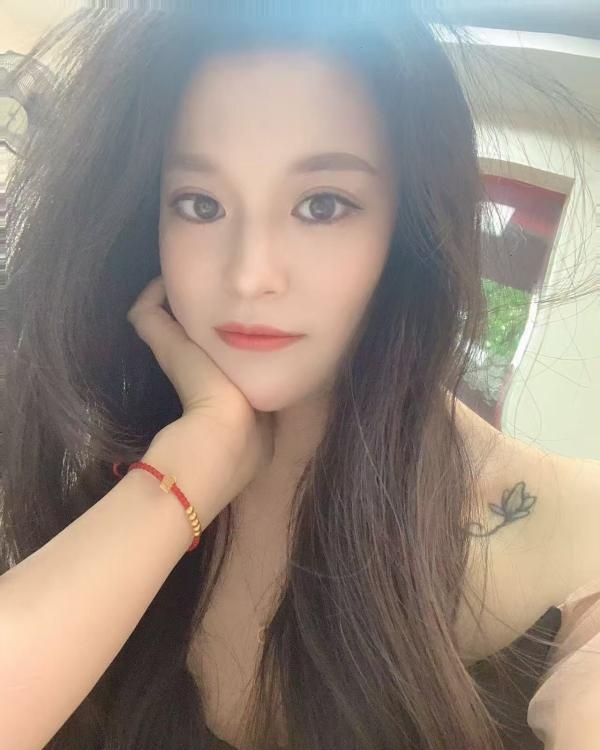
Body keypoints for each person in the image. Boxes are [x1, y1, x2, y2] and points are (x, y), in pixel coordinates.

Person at [2, 4, 599, 750]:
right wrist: (184, 476)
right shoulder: (97, 465)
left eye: (322, 205)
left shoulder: (581, 530)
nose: (250, 275)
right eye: (200, 204)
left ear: (407, 230)